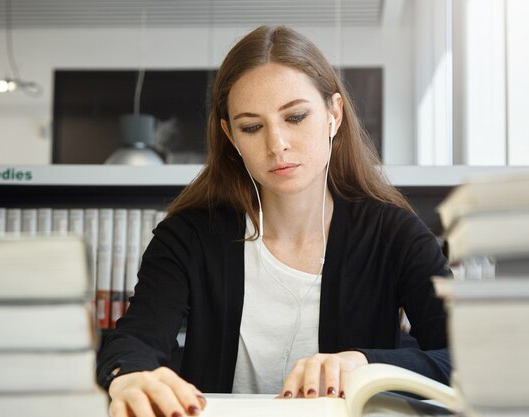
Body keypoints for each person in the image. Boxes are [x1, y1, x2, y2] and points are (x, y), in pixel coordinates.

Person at [97, 25, 451, 417]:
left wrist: (363, 364)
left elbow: (466, 358)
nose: (276, 144)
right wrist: (127, 376)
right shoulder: (189, 235)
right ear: (231, 136)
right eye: (252, 127)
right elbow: (134, 341)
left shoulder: (395, 235)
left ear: (334, 115)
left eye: (296, 117)